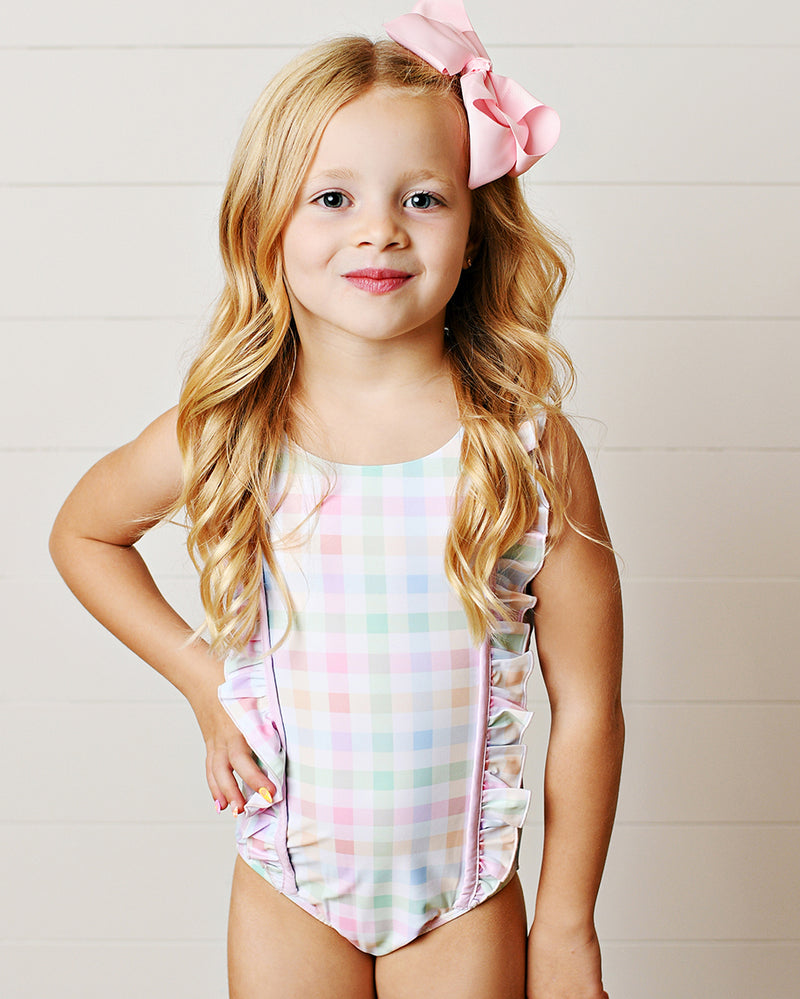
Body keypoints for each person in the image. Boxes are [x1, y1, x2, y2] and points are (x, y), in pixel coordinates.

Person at [49, 2, 623, 997]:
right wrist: (199, 680)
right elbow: (84, 533)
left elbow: (587, 707)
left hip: (462, 894)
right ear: (264, 220)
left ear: (475, 228)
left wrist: (566, 928)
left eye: (422, 200)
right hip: (288, 889)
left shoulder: (524, 449)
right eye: (331, 198)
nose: (378, 232)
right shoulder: (228, 431)